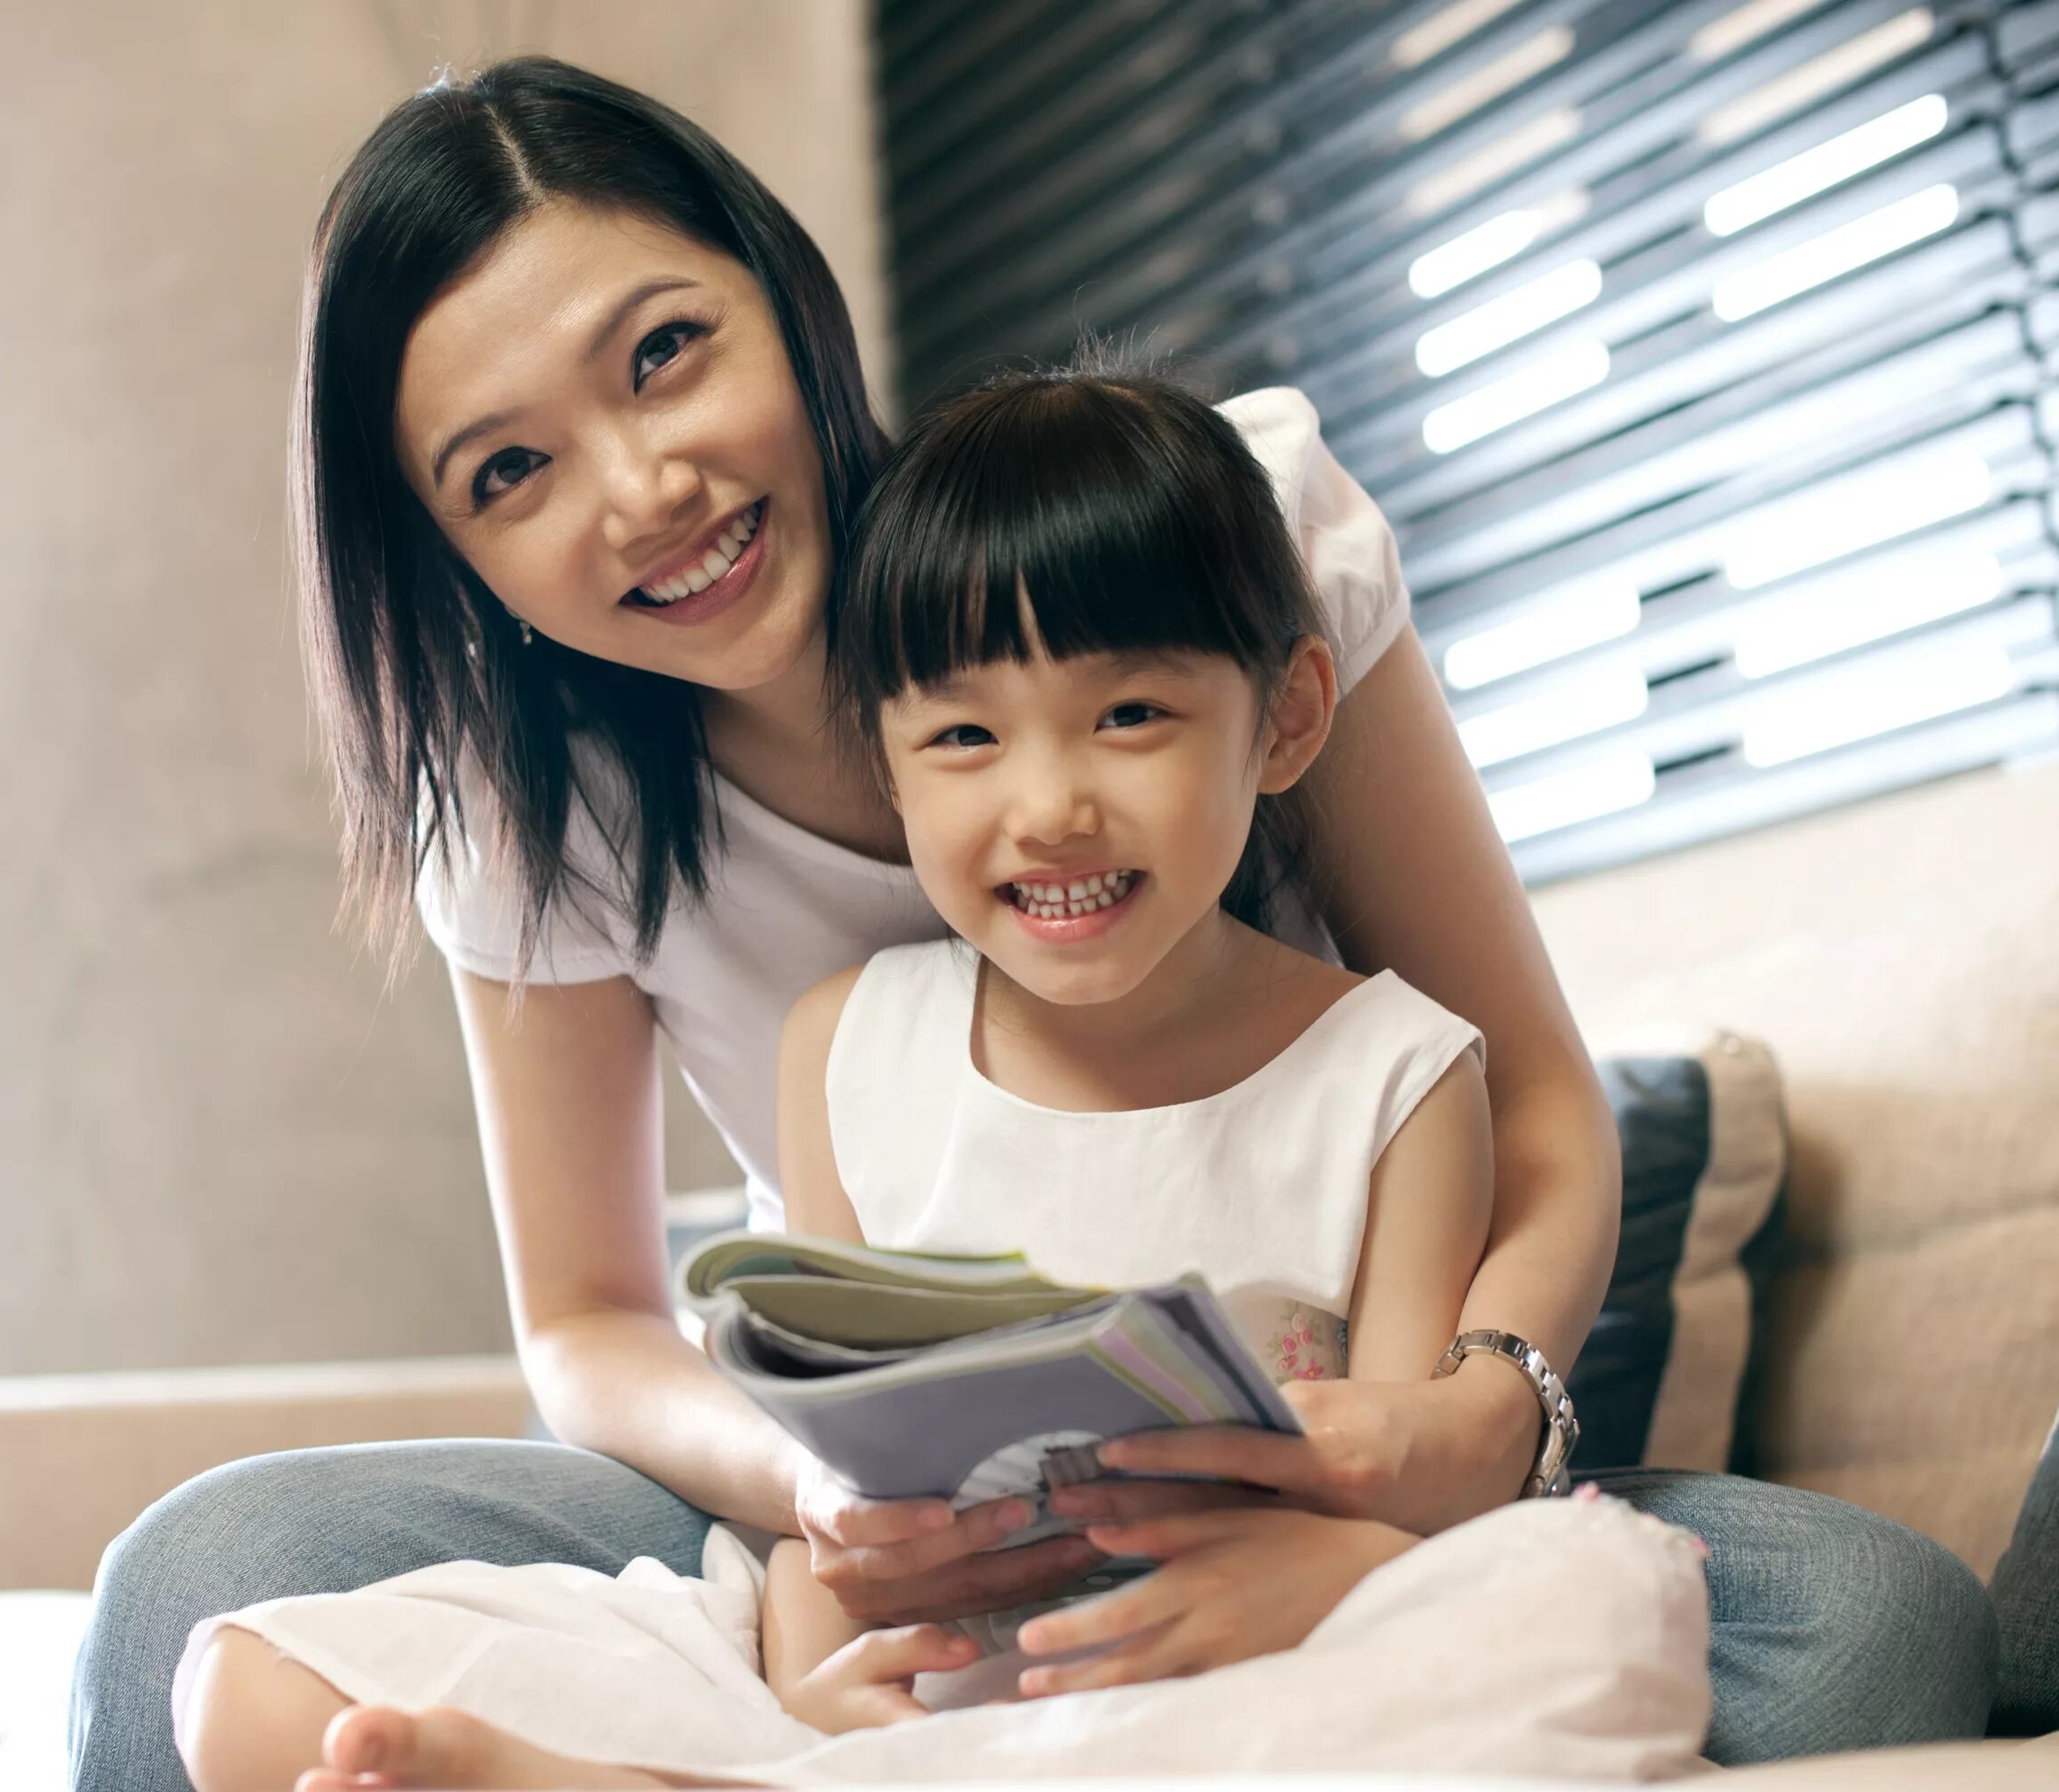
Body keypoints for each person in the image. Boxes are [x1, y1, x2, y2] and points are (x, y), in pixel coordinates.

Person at [68, 56, 1993, 1790]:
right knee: (198, 1588)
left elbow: (1542, 1103)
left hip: (1362, 1408)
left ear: (783, 297)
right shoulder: (538, 810)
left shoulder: (1206, 533)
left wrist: (1454, 1434)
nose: (642, 489)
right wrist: (824, 1489)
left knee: (1874, 1629)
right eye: (510, 472)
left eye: (663, 354)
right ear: (454, 558)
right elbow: (589, 1319)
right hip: (896, 1501)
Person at [164, 366, 1716, 1792]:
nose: (1048, 806)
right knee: (231, 1677)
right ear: (890, 762)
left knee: (1600, 1592)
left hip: (1240, 1664)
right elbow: (821, 1478)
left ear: (1288, 717)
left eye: (1128, 718)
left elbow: (1398, 1478)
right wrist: (814, 1676)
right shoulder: (847, 1042)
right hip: (935, 1678)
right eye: (967, 737)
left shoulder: (1398, 1074)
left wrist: (1341, 1578)